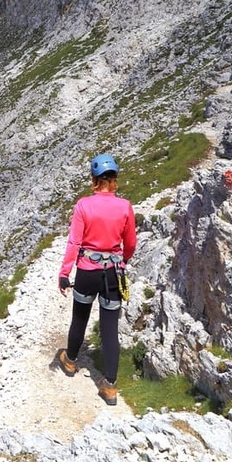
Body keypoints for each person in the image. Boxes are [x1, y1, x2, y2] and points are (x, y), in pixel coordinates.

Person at [55, 153, 137, 405]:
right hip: (112, 273)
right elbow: (130, 243)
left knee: (80, 318)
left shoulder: (83, 205)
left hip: (87, 271)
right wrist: (121, 261)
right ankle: (110, 386)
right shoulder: (125, 206)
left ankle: (70, 361)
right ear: (114, 180)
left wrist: (64, 272)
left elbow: (74, 242)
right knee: (109, 328)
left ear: (94, 179)